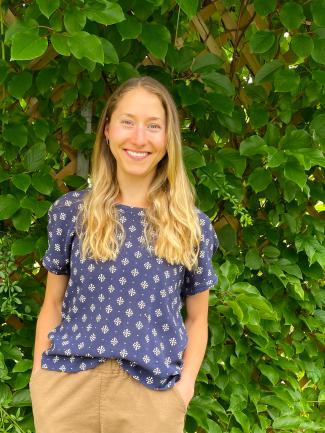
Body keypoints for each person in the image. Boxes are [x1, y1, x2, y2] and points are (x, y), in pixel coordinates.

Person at [29, 76, 219, 433]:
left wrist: (184, 389)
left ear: (168, 138)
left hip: (151, 398)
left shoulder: (191, 226)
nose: (139, 138)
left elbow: (198, 319)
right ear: (107, 130)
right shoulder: (72, 212)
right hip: (66, 389)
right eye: (127, 122)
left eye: (153, 126)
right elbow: (52, 302)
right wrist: (39, 377)